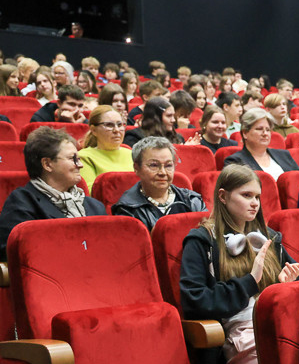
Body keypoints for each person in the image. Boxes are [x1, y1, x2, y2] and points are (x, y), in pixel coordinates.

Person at [179, 164, 299, 364]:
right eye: (246, 195)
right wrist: (250, 281)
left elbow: (298, 284)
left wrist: (284, 286)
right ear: (223, 196)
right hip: (236, 338)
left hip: (276, 323)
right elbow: (195, 300)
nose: (254, 203)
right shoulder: (202, 241)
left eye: (257, 197)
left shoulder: (269, 237)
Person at [0, 127, 104, 259]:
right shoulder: (23, 203)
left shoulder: (95, 206)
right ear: (47, 164)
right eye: (73, 159)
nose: (80, 165)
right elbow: (11, 252)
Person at [112, 136, 206, 230]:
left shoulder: (192, 200)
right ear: (136, 168)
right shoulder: (127, 208)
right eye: (154, 165)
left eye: (168, 165)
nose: (163, 172)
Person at [223, 109, 299, 179]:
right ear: (245, 133)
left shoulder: (284, 155)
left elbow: (298, 180)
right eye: (259, 129)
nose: (265, 133)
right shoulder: (235, 161)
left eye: (268, 130)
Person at [77, 105, 133, 192]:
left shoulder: (131, 153)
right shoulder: (84, 157)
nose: (117, 130)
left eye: (120, 124)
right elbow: (91, 193)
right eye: (109, 125)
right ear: (94, 130)